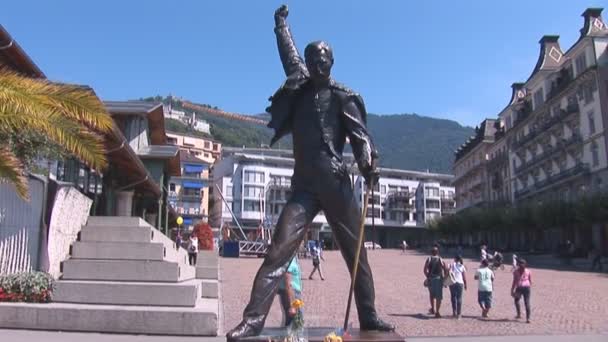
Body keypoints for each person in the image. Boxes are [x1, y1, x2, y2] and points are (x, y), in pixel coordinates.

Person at [226, 5, 394, 339]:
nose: (319, 64)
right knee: (277, 251)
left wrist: (368, 164)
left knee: (355, 253)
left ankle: (369, 314)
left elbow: (361, 138)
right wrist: (280, 25)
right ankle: (253, 319)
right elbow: (288, 53)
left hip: (336, 185)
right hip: (302, 186)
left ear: (332, 62)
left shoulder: (343, 97)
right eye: (313, 59)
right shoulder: (299, 86)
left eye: (324, 59)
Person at [277, 256, 303, 326]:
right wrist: (292, 305)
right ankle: (286, 336)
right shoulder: (288, 258)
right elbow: (288, 284)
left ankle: (290, 336)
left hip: (293, 293)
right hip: (291, 294)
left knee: (295, 323)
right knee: (294, 324)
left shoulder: (293, 256)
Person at [423, 246, 446, 318]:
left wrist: (428, 277)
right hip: (439, 279)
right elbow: (445, 268)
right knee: (439, 296)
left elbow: (424, 270)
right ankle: (437, 312)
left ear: (431, 252)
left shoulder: (429, 259)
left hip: (431, 279)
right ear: (437, 252)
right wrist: (444, 278)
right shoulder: (440, 259)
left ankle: (432, 309)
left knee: (431, 295)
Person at [511, 259, 532, 323]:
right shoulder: (528, 271)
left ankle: (519, 314)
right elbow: (530, 280)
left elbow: (514, 281)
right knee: (527, 302)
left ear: (518, 264)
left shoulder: (515, 271)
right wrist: (529, 286)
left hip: (519, 287)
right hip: (527, 287)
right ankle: (528, 318)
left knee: (516, 300)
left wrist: (512, 289)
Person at [448, 255, 467, 319]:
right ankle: (459, 314)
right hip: (460, 282)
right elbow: (464, 276)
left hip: (452, 282)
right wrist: (465, 284)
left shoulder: (451, 265)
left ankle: (454, 312)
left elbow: (448, 272)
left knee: (453, 297)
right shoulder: (462, 266)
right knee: (459, 298)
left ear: (455, 259)